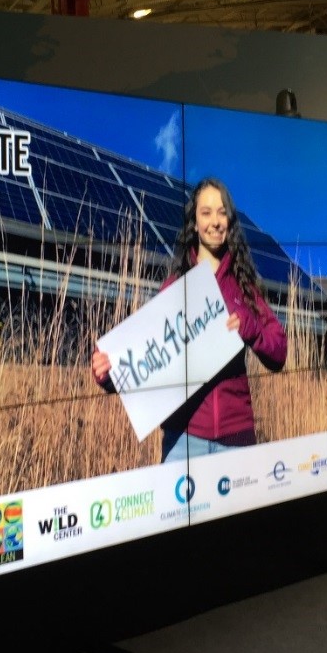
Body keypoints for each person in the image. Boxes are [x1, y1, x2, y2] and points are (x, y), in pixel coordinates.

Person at [92, 177, 287, 461]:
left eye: (222, 213)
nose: (215, 221)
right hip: (183, 442)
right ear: (194, 223)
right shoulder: (174, 286)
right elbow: (149, 356)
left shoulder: (245, 286)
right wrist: (111, 374)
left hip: (237, 439)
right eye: (206, 213)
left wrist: (251, 327)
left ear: (230, 222)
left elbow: (279, 351)